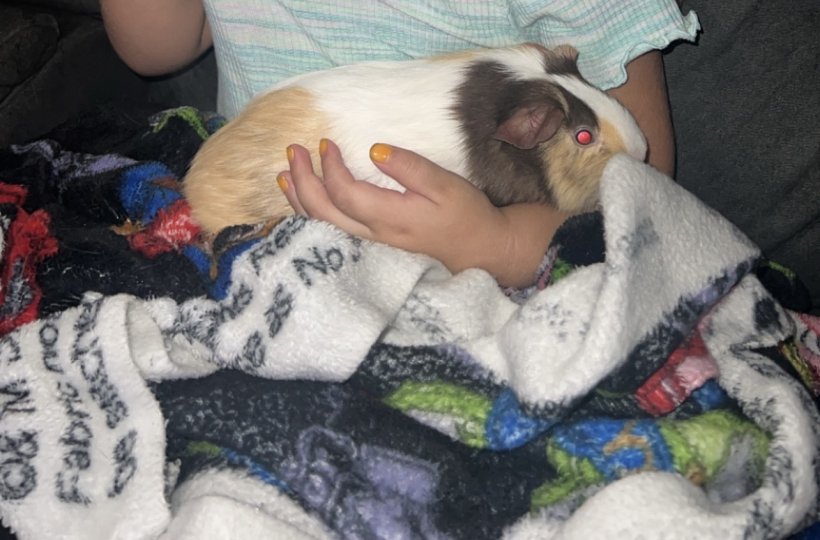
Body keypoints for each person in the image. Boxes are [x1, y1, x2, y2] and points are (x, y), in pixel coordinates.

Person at [101, 1, 698, 288]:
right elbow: (155, 48)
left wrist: (501, 241)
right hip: (245, 228)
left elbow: (642, 186)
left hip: (491, 277)